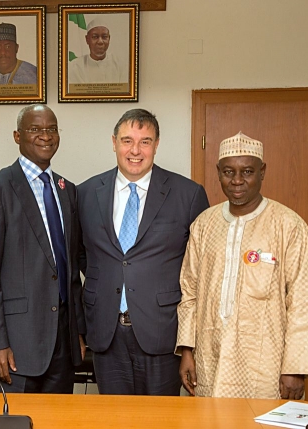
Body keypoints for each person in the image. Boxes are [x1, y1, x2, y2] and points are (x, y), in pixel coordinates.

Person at [176, 131, 308, 399]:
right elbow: (189, 292)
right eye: (228, 172)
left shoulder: (289, 226)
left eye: (248, 171)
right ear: (218, 172)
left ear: (262, 172)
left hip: (265, 362)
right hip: (210, 357)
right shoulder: (204, 225)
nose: (238, 180)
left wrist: (295, 368)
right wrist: (186, 351)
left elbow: (302, 303)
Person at [77, 108, 209, 395]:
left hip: (163, 333)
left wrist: (191, 344)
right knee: (114, 421)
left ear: (157, 145)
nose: (135, 150)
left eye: (145, 142)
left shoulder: (188, 194)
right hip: (105, 332)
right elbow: (82, 256)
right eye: (127, 141)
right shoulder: (85, 193)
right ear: (114, 142)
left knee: (161, 422)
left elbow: (199, 270)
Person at [0, 104, 86, 393]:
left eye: (51, 129)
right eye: (35, 129)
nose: (45, 136)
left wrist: (78, 333)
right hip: (14, 345)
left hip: (63, 343)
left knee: (59, 423)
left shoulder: (67, 190)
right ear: (17, 136)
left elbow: (70, 270)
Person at [69, 18, 127, 84]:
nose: (100, 41)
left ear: (109, 39)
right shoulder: (75, 67)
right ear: (87, 39)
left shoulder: (120, 65)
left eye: (104, 37)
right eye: (95, 37)